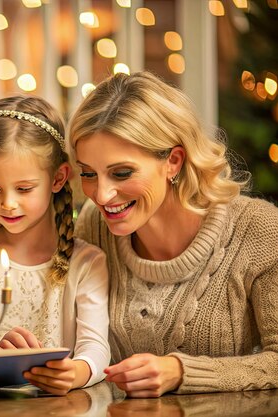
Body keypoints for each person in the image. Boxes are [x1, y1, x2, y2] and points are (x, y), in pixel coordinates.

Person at [69, 71, 278, 397]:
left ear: (174, 161)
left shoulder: (259, 230)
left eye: (121, 173)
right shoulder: (93, 225)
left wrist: (183, 372)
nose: (102, 194)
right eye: (88, 173)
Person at [0, 95, 110, 395]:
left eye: (24, 188)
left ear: (58, 178)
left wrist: (74, 372)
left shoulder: (86, 263)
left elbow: (95, 347)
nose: (8, 203)